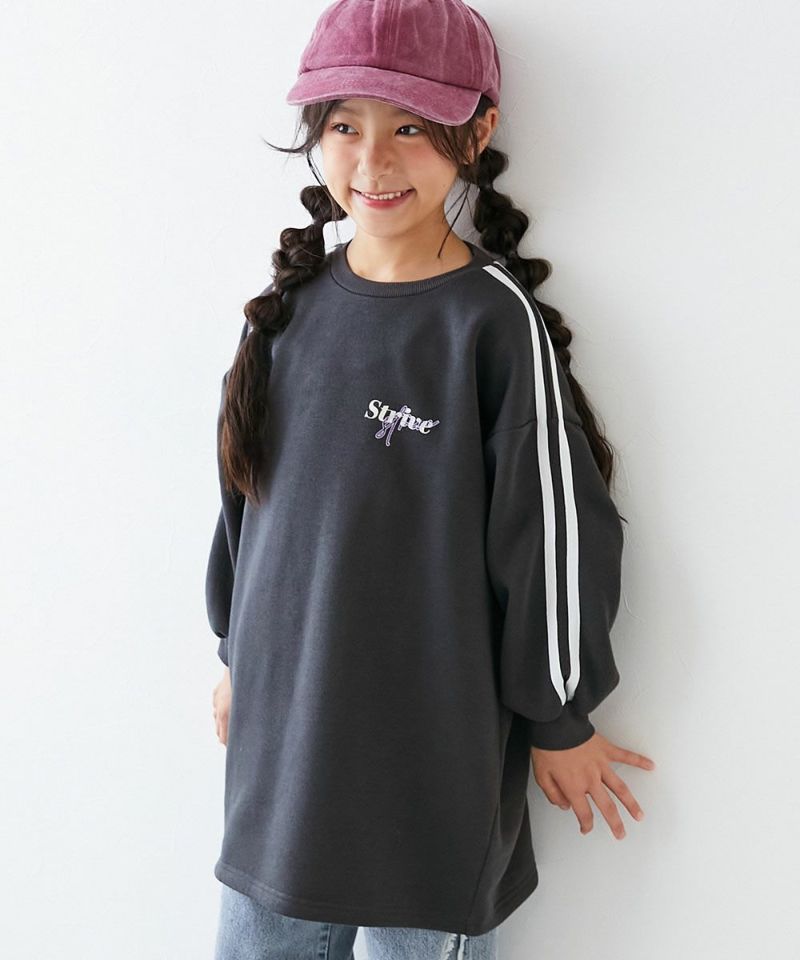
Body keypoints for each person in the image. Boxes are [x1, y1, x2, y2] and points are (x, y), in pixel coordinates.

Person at [205, 1, 656, 957]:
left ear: (476, 134)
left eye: (410, 128)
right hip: (281, 767)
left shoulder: (489, 325)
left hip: (426, 775)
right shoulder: (285, 313)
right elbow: (248, 512)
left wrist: (559, 715)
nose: (373, 161)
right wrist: (237, 655)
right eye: (344, 125)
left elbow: (551, 533)